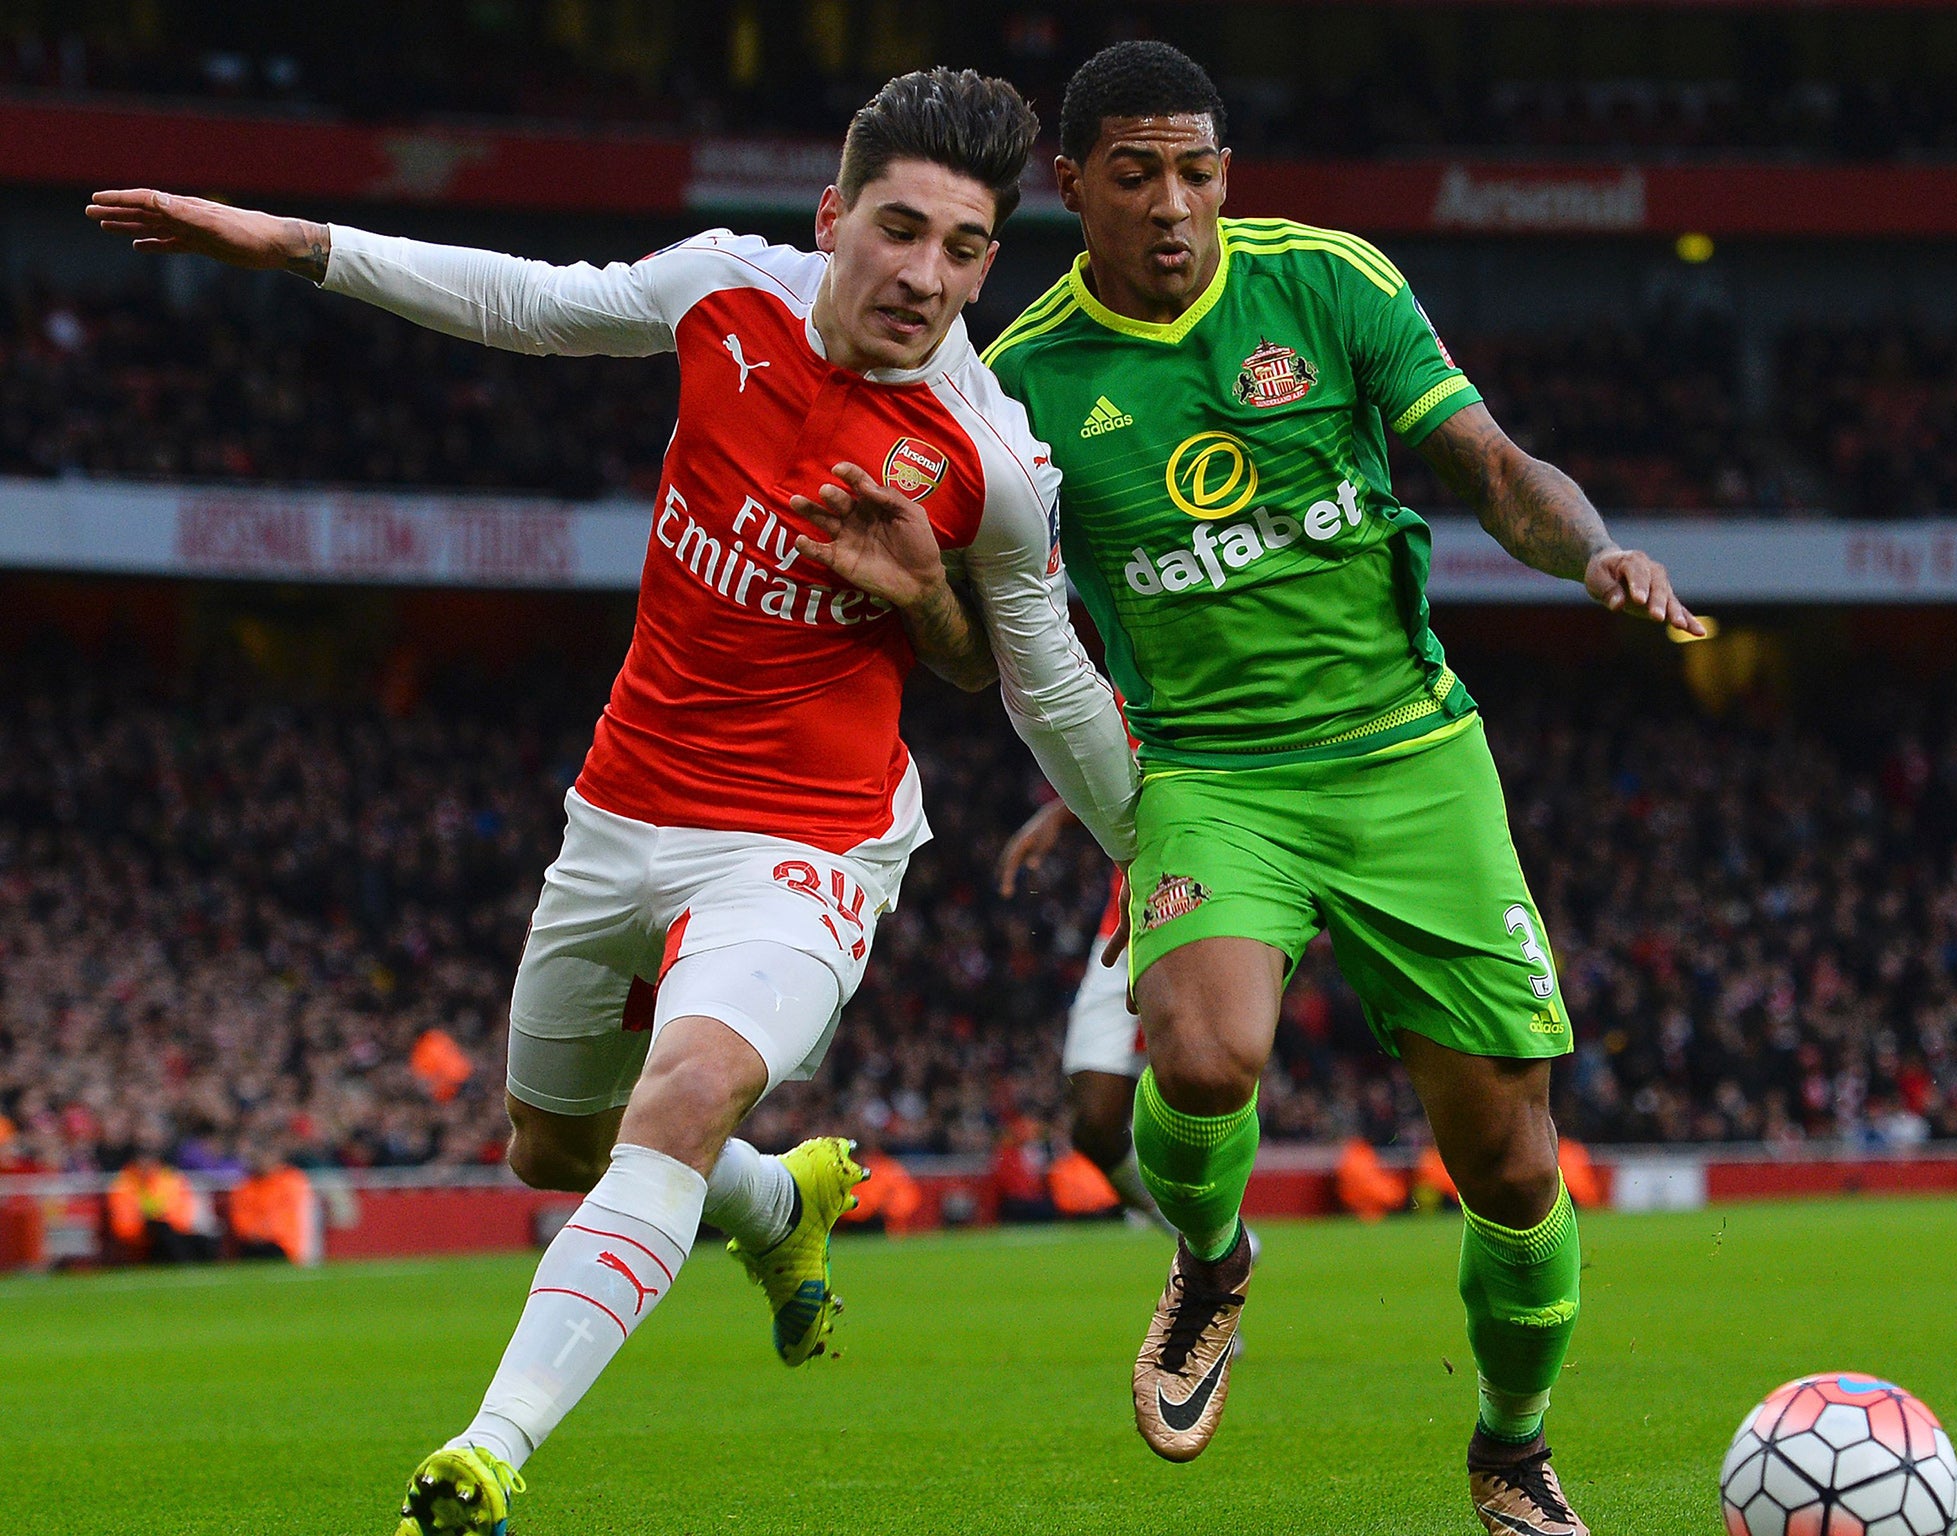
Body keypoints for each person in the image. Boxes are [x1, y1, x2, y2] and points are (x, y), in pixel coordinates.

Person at [90, 66, 1139, 1536]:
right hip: (621, 806)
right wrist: (297, 246)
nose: (923, 276)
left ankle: (486, 1451)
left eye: (963, 250)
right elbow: (531, 302)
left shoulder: (992, 456)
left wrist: (1167, 849)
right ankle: (777, 1206)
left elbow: (1045, 685)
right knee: (554, 1152)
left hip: (808, 839)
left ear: (989, 262)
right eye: (898, 229)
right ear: (833, 216)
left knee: (691, 1090)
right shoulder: (728, 295)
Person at [984, 40, 1702, 1534]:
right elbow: (1022, 620)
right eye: (1134, 176)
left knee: (1509, 1160)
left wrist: (1599, 550)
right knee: (1193, 1059)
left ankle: (1511, 1448)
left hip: (1409, 757)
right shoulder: (1022, 387)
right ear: (1072, 189)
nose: (1171, 205)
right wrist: (1078, 771)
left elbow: (1493, 467)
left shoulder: (1332, 284)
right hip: (1214, 774)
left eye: (1196, 171)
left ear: (1225, 175)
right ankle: (1216, 1261)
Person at [998, 800, 1170, 1231]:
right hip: (1124, 926)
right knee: (1093, 1125)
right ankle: (1182, 1228)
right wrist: (1057, 815)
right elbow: (1115, 771)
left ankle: (1212, 1244)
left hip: (1203, 911)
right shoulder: (1132, 729)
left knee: (1202, 1088)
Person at [107, 1148, 212, 1263]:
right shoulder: (124, 1183)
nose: (146, 1167)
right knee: (163, 1230)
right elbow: (126, 1215)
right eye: (142, 1163)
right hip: (139, 1228)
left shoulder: (168, 1178)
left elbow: (176, 1207)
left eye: (149, 1163)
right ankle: (183, 1262)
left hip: (170, 1226)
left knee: (200, 1238)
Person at [227, 1147, 317, 1263]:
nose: (262, 1163)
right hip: (252, 1242)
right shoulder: (245, 1186)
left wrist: (270, 1232)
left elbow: (289, 1215)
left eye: (266, 1158)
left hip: (282, 1243)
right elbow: (240, 1216)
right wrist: (253, 1233)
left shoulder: (290, 1181)